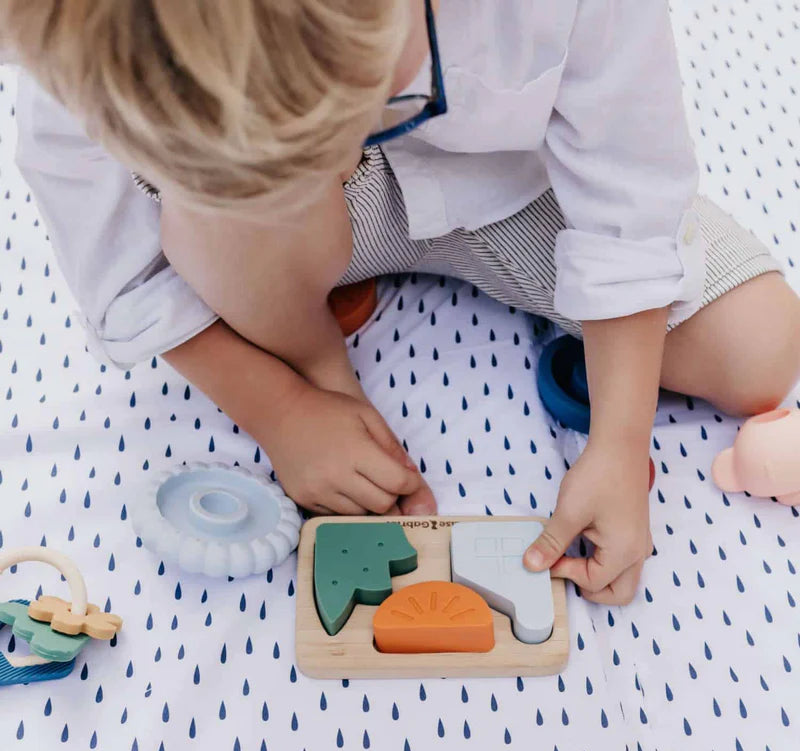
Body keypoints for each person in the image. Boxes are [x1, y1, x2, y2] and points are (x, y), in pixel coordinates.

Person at [3, 0, 799, 605]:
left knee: (762, 348)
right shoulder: (82, 47)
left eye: (377, 104)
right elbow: (125, 275)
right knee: (226, 219)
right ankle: (314, 345)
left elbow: (630, 189)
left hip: (513, 187)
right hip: (267, 229)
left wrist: (621, 444)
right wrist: (282, 407)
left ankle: (296, 251)